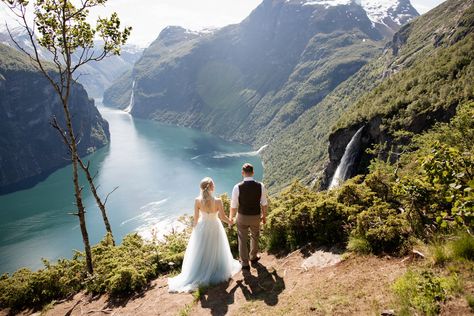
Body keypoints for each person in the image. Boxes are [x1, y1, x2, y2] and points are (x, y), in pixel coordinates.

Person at [168, 177, 241, 292]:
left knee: (202, 250)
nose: (215, 186)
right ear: (211, 187)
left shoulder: (197, 200)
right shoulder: (217, 201)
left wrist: (194, 231)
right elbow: (222, 217)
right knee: (215, 248)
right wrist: (231, 222)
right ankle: (214, 269)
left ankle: (202, 270)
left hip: (202, 227)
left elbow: (196, 219)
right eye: (213, 184)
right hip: (215, 227)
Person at [230, 163, 268, 270]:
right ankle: (253, 257)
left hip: (242, 216)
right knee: (255, 236)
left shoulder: (237, 187)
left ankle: (244, 262)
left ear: (242, 173)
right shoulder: (260, 186)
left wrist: (231, 218)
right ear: (253, 172)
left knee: (242, 238)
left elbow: (233, 206)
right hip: (256, 216)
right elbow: (264, 204)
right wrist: (264, 216)